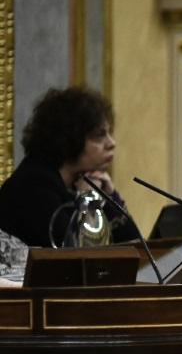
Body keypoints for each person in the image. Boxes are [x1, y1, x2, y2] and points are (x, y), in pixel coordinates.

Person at [0, 86, 138, 247]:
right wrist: (87, 200)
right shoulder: (32, 186)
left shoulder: (75, 184)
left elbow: (136, 249)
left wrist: (111, 197)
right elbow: (78, 257)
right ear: (69, 138)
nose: (111, 143)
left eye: (109, 133)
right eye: (100, 136)